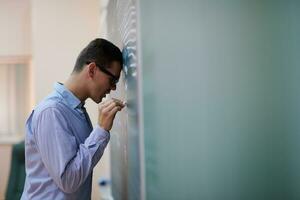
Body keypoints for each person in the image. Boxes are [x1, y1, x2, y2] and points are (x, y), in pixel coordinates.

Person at [21, 38, 125, 200]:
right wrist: (101, 130)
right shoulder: (52, 111)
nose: (113, 88)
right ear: (92, 70)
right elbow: (68, 181)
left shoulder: (77, 111)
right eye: (113, 80)